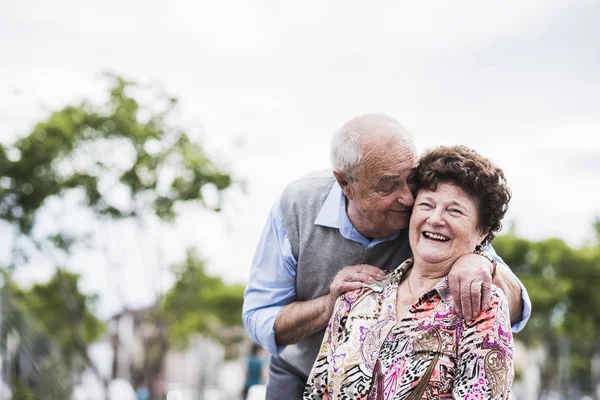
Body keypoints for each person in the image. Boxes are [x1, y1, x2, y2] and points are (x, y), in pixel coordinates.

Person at [242, 114, 531, 399]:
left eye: (411, 180)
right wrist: (329, 305)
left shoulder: (427, 211)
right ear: (346, 184)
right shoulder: (297, 207)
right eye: (388, 185)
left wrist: (482, 261)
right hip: (301, 368)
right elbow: (260, 316)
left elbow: (509, 297)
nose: (408, 198)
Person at [304, 145, 515, 399]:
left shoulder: (483, 305)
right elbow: (317, 392)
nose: (436, 219)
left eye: (454, 210)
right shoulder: (357, 296)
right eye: (427, 205)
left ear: (482, 231)